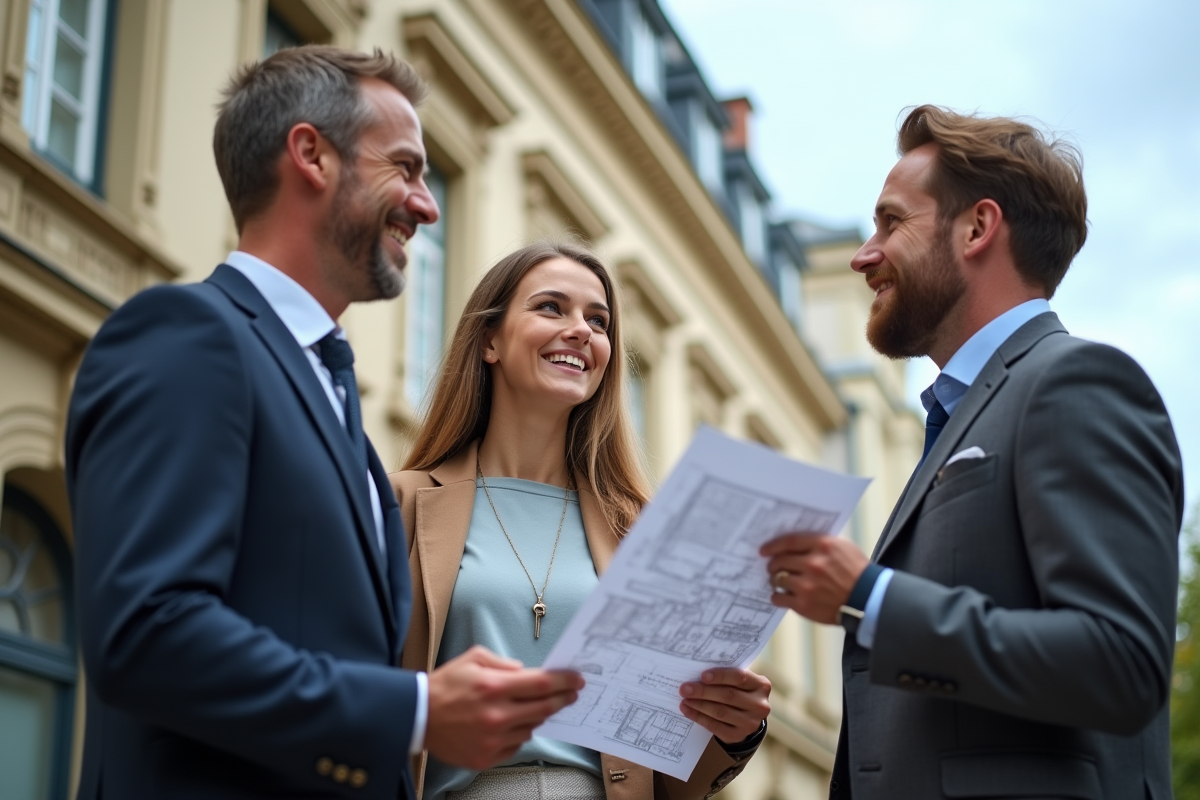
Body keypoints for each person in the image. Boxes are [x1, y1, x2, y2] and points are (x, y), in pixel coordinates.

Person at [65, 46, 581, 800]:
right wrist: (415, 711)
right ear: (311, 155)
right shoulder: (188, 333)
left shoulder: (347, 423)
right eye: (406, 169)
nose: (428, 206)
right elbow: (146, 631)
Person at [761, 105, 1183, 799]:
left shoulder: (1076, 382)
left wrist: (869, 596)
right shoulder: (956, 417)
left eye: (891, 222)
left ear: (978, 228)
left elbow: (1121, 664)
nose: (864, 255)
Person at [390, 241, 771, 800]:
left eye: (598, 321)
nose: (580, 331)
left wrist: (733, 732)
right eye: (551, 307)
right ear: (489, 340)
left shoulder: (641, 531)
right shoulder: (402, 503)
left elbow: (666, 777)